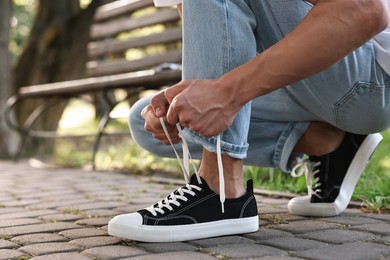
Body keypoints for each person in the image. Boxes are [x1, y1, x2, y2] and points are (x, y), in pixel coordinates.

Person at [108, 0, 390, 242]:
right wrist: (192, 99)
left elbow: (364, 9)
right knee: (147, 119)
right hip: (320, 81)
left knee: (191, 120)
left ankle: (223, 191)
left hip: (374, 80)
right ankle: (329, 142)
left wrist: (226, 93)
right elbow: (217, 36)